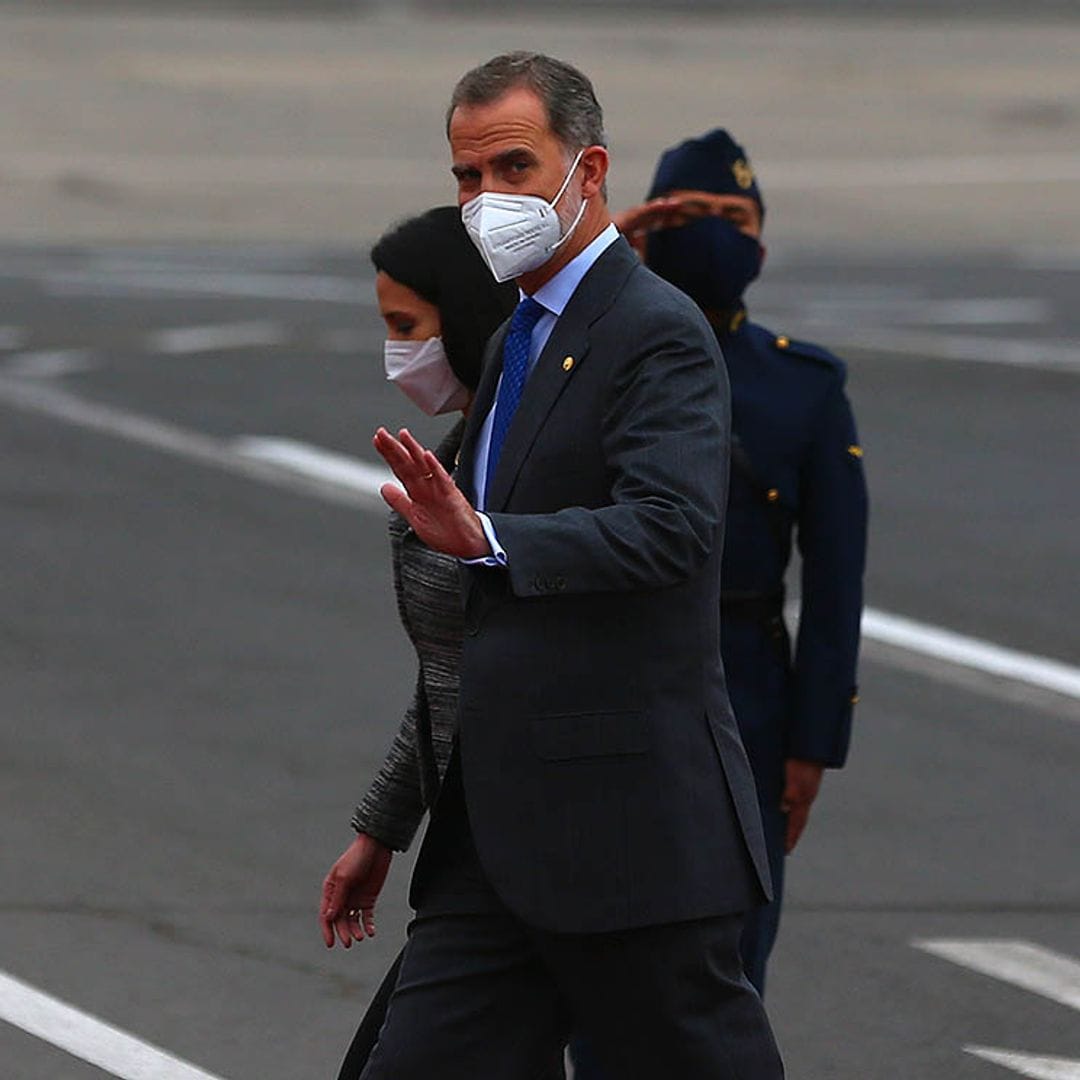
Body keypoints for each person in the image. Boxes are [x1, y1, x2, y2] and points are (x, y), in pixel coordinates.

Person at [329, 52, 785, 1079]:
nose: (487, 199)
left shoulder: (654, 331)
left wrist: (492, 537)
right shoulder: (520, 342)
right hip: (492, 844)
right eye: (465, 177)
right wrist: (387, 825)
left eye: (515, 169)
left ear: (591, 171)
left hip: (626, 842)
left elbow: (670, 529)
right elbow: (477, 630)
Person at [617, 129, 870, 994]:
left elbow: (836, 584)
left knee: (731, 958)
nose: (720, 233)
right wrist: (599, 263)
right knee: (604, 956)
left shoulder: (805, 386)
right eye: (696, 215)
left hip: (748, 694)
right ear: (650, 225)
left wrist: (814, 743)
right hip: (609, 677)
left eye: (738, 217)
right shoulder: (596, 350)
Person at [318, 205, 519, 1079]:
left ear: (470, 315)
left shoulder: (522, 465)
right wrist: (383, 828)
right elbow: (451, 671)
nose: (398, 354)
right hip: (488, 848)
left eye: (408, 327)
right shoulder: (466, 452)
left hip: (558, 847)